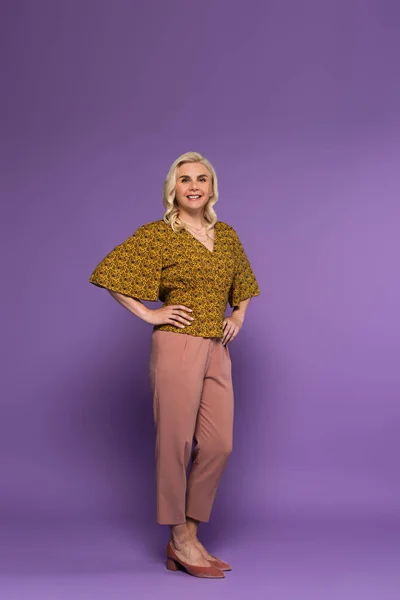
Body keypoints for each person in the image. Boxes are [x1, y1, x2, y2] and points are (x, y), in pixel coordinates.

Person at [89, 151, 260, 578]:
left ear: (212, 187)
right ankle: (181, 539)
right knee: (176, 443)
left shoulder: (227, 236)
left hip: (216, 348)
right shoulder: (158, 234)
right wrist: (150, 314)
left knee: (219, 444)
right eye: (185, 180)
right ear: (173, 189)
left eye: (202, 178)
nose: (194, 186)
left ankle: (191, 533)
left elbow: (245, 286)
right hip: (176, 345)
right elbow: (109, 272)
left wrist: (237, 315)